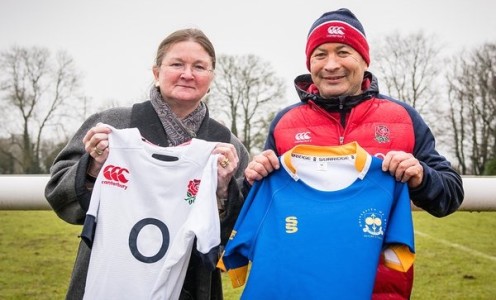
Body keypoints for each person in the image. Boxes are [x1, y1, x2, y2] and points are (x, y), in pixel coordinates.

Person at [243, 8, 464, 299]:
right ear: (310, 63)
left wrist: (421, 177)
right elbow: (259, 206)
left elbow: (451, 194)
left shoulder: (403, 118)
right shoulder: (285, 123)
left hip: (379, 292)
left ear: (364, 59)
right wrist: (252, 179)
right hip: (299, 286)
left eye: (343, 52)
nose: (331, 64)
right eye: (320, 54)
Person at [45, 28, 249, 300]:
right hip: (110, 277)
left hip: (191, 283)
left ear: (211, 79)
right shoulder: (111, 126)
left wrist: (224, 190)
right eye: (177, 64)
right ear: (156, 72)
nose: (187, 74)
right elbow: (59, 195)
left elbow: (236, 233)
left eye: (199, 67)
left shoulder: (226, 146)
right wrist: (93, 166)